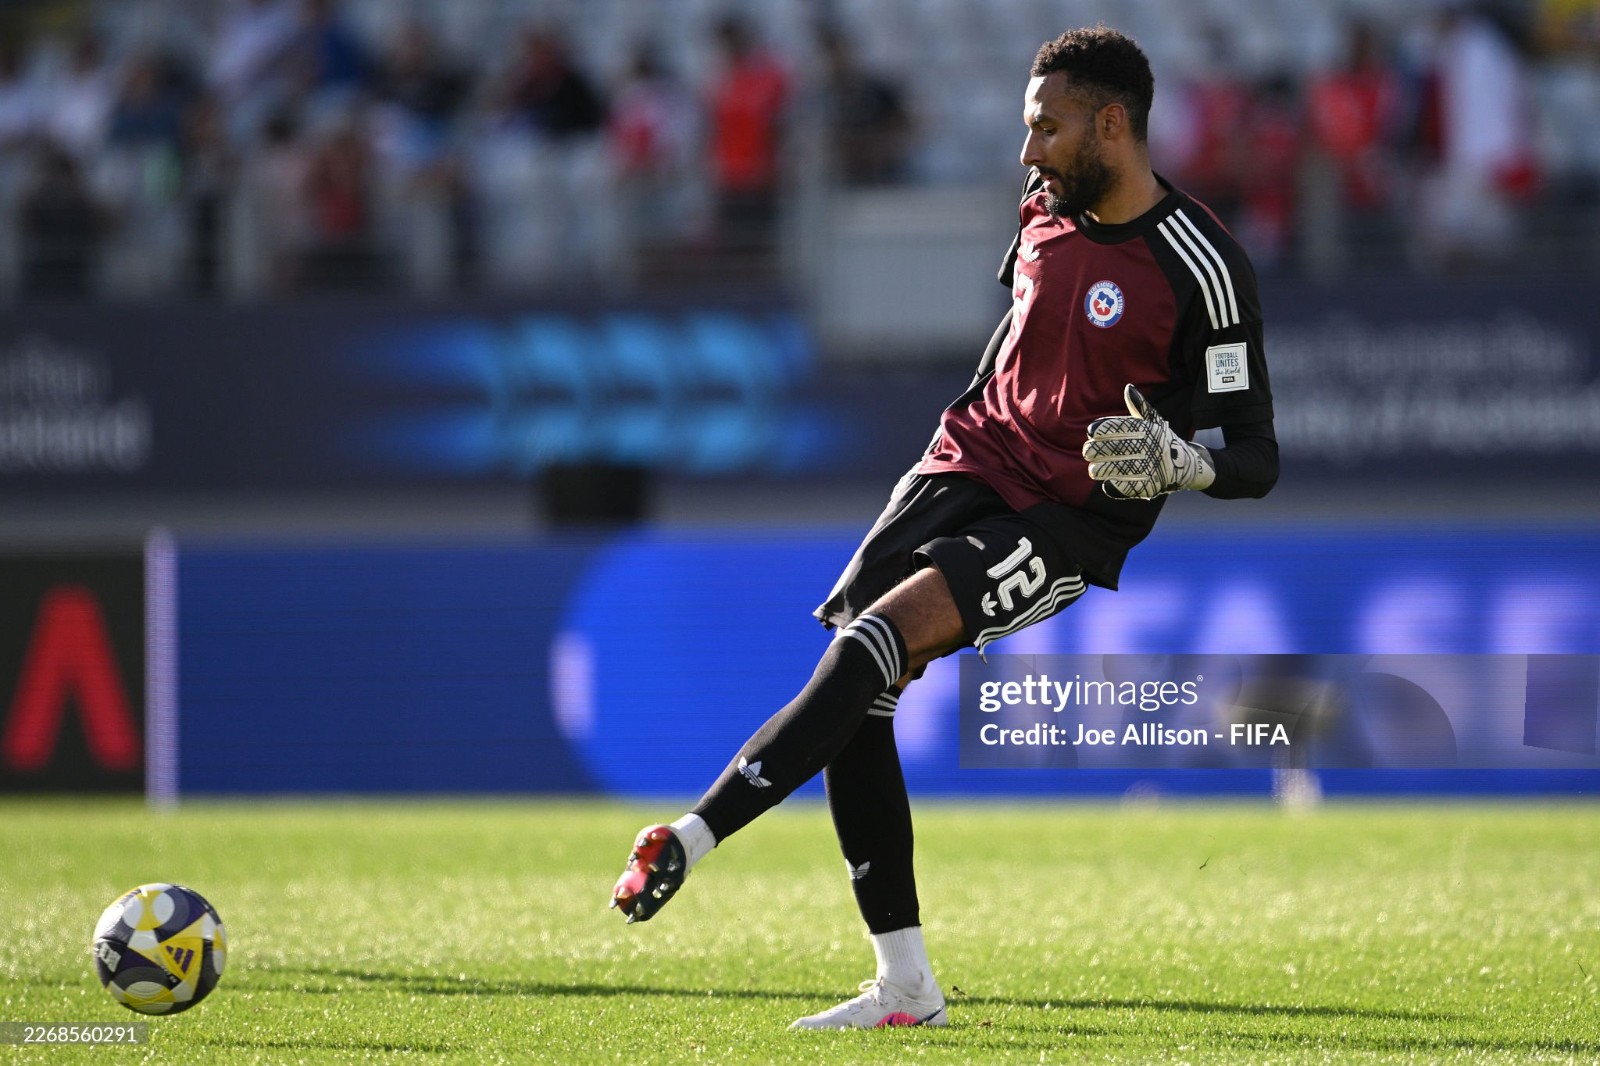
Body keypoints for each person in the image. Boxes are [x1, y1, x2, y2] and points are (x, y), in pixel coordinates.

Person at [610, 26, 1278, 1030]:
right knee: (859, 687)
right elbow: (1018, 344)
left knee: (878, 642)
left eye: (1046, 128)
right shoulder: (1044, 212)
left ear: (1112, 124)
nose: (1028, 151)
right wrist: (952, 459)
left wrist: (1188, 463)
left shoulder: (1202, 263)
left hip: (1063, 517)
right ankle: (906, 986)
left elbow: (1255, 456)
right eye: (1024, 127)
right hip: (962, 462)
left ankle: (692, 837)